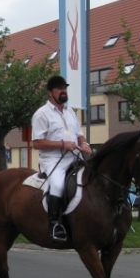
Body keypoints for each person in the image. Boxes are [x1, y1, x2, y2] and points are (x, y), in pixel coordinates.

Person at [31, 75, 92, 243]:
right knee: (57, 184)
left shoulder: (70, 111)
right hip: (53, 160)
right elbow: (37, 143)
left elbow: (79, 135)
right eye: (59, 88)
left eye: (64, 88)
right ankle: (55, 226)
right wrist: (62, 144)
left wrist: (85, 144)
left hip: (75, 157)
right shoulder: (41, 114)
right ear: (50, 93)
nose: (63, 91)